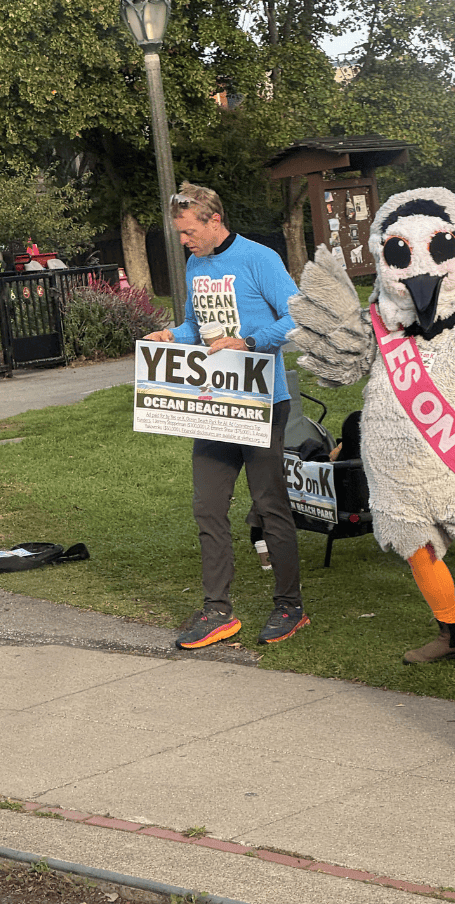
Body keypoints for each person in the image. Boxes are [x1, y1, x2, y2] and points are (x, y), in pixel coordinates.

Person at [145, 182, 309, 648]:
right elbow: (198, 325)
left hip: (261, 400)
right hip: (213, 401)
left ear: (214, 220)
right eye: (179, 233)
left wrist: (251, 342)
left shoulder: (260, 259)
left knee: (269, 504)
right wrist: (172, 335)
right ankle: (217, 610)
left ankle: (290, 606)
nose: (183, 241)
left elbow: (297, 317)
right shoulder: (197, 265)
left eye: (187, 231)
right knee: (208, 507)